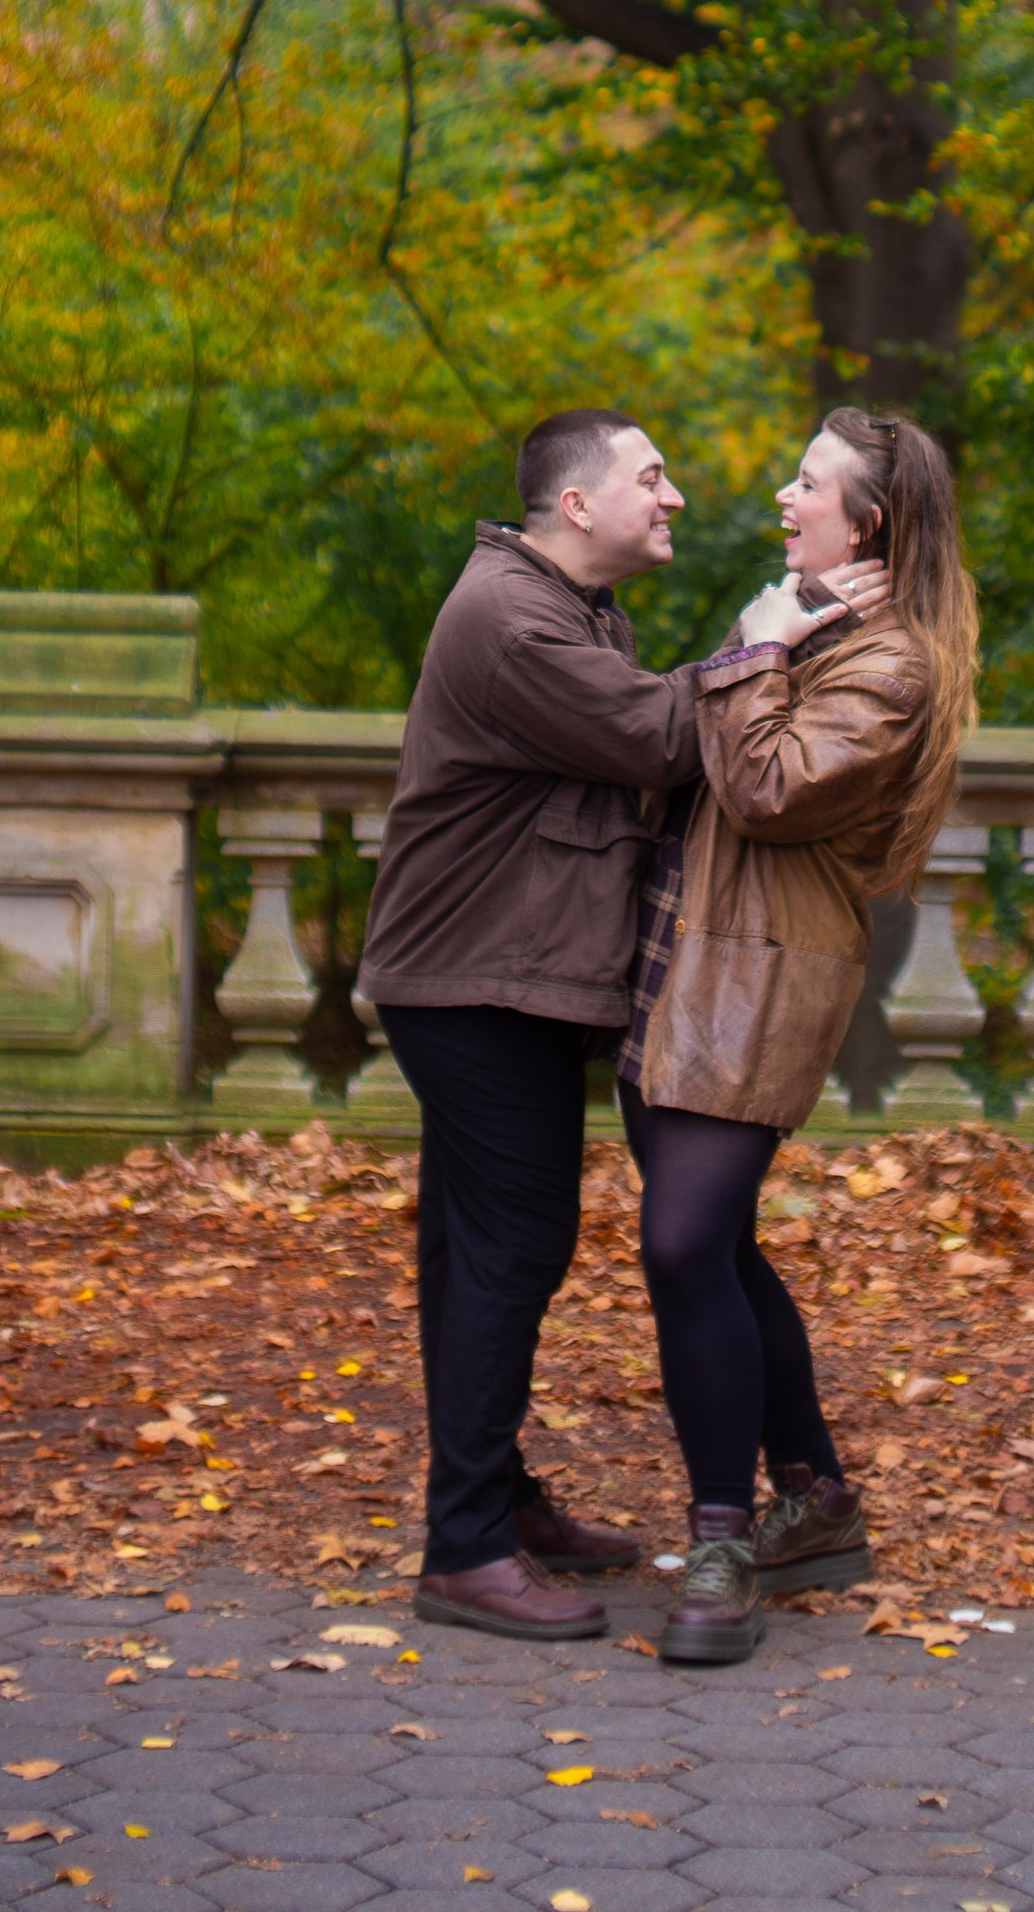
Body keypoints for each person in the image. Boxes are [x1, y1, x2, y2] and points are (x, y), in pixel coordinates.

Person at [620, 406, 978, 1666]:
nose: (783, 495)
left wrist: (756, 644)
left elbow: (764, 787)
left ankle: (723, 1535)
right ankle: (814, 1498)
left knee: (679, 1247)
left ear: (867, 522)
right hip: (679, 966)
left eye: (809, 484)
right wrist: (764, 639)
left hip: (758, 983)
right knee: (717, 1250)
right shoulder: (804, 622)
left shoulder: (889, 665)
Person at [358, 406, 702, 1642]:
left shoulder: (566, 608)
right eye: (651, 478)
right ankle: (464, 1550)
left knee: (474, 1247)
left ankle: (491, 1505)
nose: (672, 498)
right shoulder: (511, 617)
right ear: (576, 505)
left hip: (492, 973)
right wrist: (770, 642)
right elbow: (662, 734)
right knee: (513, 1243)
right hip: (473, 978)